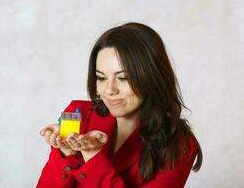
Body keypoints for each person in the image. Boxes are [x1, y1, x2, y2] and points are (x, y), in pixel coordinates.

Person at [37, 22, 202, 187]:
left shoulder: (180, 145)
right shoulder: (75, 114)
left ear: (151, 77)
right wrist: (66, 153)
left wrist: (92, 155)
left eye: (123, 78)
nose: (109, 90)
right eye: (101, 78)